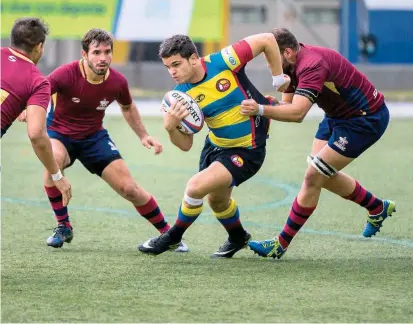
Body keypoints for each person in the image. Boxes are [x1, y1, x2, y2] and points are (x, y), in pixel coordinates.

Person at [21, 28, 187, 251]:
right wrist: (26, 109)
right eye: (96, 52)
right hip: (59, 134)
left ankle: (168, 235)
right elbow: (37, 91)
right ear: (84, 54)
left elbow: (128, 107)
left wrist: (144, 135)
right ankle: (63, 226)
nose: (102, 58)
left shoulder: (117, 82)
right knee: (53, 162)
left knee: (130, 189)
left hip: (94, 138)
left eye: (107, 52)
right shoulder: (65, 74)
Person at [241, 28, 395, 259]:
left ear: (288, 52)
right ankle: (376, 207)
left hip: (364, 119)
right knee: (319, 173)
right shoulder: (290, 66)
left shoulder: (312, 65)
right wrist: (268, 102)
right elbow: (286, 106)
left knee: (314, 176)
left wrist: (261, 110)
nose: (268, 64)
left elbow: (297, 114)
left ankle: (280, 244)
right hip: (337, 116)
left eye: (271, 57)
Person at [138, 33, 290, 257]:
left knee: (195, 187)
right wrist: (171, 127)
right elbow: (186, 145)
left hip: (247, 149)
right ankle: (238, 237)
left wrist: (278, 78)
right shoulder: (179, 96)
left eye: (176, 64)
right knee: (217, 201)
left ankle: (172, 238)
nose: (172, 72)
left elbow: (268, 39)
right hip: (215, 147)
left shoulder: (224, 61)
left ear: (193, 58)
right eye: (168, 67)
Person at [1, 17, 72, 205]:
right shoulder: (37, 81)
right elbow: (36, 135)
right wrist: (57, 175)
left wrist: (13, 107)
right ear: (40, 47)